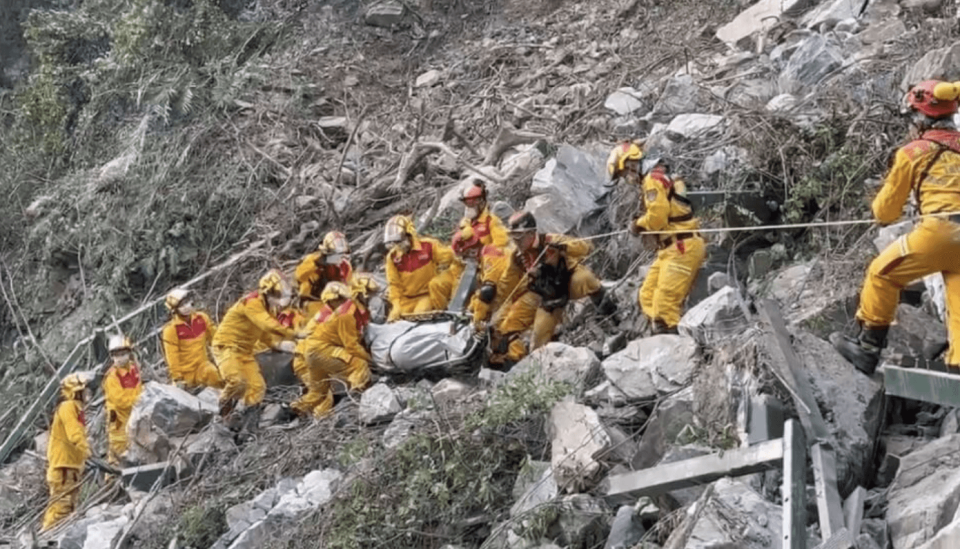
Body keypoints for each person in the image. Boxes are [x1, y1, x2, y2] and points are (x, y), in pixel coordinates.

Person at [832, 80, 960, 375]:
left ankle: (867, 347)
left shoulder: (913, 152)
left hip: (939, 232)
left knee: (882, 274)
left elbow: (885, 212)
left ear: (919, 119)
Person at [607, 140, 706, 334]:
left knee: (664, 306)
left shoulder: (652, 180)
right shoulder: (656, 176)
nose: (627, 178)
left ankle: (677, 347)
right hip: (670, 248)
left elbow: (657, 219)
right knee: (647, 295)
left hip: (681, 246)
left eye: (625, 173)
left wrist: (637, 225)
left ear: (631, 164)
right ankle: (660, 337)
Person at [491, 211, 613, 366]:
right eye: (513, 235)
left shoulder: (550, 240)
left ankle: (611, 316)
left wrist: (563, 247)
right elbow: (507, 285)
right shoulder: (517, 258)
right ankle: (520, 363)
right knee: (521, 331)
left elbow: (585, 248)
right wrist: (490, 303)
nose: (515, 240)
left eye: (519, 235)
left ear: (530, 233)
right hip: (546, 297)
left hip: (568, 282)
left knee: (586, 279)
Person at [212, 269, 297, 418]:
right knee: (236, 381)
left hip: (245, 351)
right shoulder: (252, 303)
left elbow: (263, 333)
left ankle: (248, 423)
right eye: (276, 296)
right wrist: (294, 334)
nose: (279, 300)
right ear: (266, 292)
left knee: (258, 388)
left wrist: (278, 345)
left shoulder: (269, 308)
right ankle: (222, 413)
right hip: (226, 347)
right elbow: (267, 325)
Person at [297, 274, 380, 417]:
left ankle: (295, 409)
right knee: (359, 365)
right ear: (360, 294)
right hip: (322, 349)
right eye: (369, 295)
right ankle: (355, 400)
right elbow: (351, 346)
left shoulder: (353, 310)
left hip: (312, 352)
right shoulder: (347, 314)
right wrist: (372, 361)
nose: (371, 298)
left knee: (319, 390)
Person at [429, 182, 510, 312]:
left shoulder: (492, 221)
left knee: (460, 288)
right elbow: (454, 249)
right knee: (436, 284)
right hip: (458, 266)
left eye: (472, 203)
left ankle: (458, 317)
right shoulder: (464, 223)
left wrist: (482, 251)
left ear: (481, 202)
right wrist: (458, 247)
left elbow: (501, 246)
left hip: (478, 269)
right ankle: (441, 314)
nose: (469, 206)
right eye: (467, 203)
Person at [41, 373, 92, 532]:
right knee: (61, 507)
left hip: (70, 466)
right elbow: (75, 434)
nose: (88, 393)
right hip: (63, 467)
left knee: (65, 505)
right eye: (84, 390)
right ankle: (47, 537)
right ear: (76, 392)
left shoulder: (75, 408)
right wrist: (88, 452)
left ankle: (51, 537)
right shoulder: (68, 407)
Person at [383, 215, 455, 321]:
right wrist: (396, 305)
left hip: (425, 295)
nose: (398, 246)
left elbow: (450, 256)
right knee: (394, 322)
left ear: (408, 235)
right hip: (406, 299)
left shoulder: (428, 246)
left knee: (419, 316)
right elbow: (394, 284)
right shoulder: (393, 257)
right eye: (395, 243)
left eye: (399, 242)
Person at [290, 280, 343, 417]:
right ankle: (318, 423)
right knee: (324, 397)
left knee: (320, 393)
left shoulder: (328, 314)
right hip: (306, 360)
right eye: (339, 300)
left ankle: (299, 410)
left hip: (309, 357)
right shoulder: (328, 318)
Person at [160, 288, 223, 390]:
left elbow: (216, 338)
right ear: (174, 310)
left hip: (203, 368)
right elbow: (172, 356)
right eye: (181, 305)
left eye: (187, 302)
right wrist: (177, 378)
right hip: (186, 376)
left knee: (212, 374)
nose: (186, 307)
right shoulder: (171, 329)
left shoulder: (202, 318)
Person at [102, 334, 143, 467]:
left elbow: (139, 386)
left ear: (128, 353)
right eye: (116, 355)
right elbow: (121, 401)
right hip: (119, 419)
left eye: (122, 354)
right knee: (118, 450)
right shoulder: (112, 377)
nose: (119, 358)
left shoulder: (134, 368)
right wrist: (139, 399)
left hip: (133, 414)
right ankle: (112, 478)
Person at [295, 231, 353, 318]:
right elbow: (299, 276)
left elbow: (349, 286)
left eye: (343, 254)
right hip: (312, 303)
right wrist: (316, 265)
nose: (341, 257)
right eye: (338, 254)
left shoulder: (345, 267)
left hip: (335, 304)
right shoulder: (313, 261)